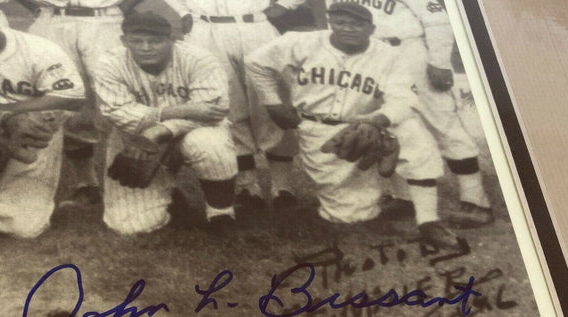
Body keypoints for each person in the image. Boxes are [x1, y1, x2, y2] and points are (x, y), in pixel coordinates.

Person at [246, 1, 454, 243]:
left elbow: (404, 98)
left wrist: (378, 120)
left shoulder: (388, 55)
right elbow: (255, 62)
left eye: (357, 24)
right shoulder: (301, 42)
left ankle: (429, 221)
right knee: (350, 217)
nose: (348, 28)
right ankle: (366, 194)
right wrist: (272, 103)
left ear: (372, 28)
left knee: (414, 134)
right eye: (341, 22)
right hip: (321, 132)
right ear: (330, 23)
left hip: (370, 125)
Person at [0, 0, 85, 256]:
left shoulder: (37, 48)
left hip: (31, 128)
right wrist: (2, 118)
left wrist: (7, 112)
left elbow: (72, 97)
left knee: (19, 227)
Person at [162, 0, 314, 214]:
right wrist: (183, 10)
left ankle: (283, 188)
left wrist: (286, 5)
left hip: (256, 26)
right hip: (205, 29)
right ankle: (248, 187)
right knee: (225, 105)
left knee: (272, 102)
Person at [92, 11, 238, 235]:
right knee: (130, 226)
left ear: (172, 40)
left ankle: (221, 214)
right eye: (137, 41)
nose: (145, 47)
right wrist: (183, 110)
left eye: (155, 41)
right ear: (124, 41)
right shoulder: (108, 63)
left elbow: (213, 113)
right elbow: (120, 114)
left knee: (211, 145)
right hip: (134, 137)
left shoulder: (200, 59)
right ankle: (169, 197)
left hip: (192, 133)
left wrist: (162, 130)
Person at [359, 0, 493, 227]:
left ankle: (476, 201)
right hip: (368, 54)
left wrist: (439, 62)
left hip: (407, 51)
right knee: (388, 125)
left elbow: (437, 19)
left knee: (444, 125)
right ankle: (404, 197)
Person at [13, 0, 144, 212]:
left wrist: (122, 6)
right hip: (52, 20)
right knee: (62, 100)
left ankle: (145, 184)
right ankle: (86, 183)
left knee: (122, 98)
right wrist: (42, 7)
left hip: (105, 22)